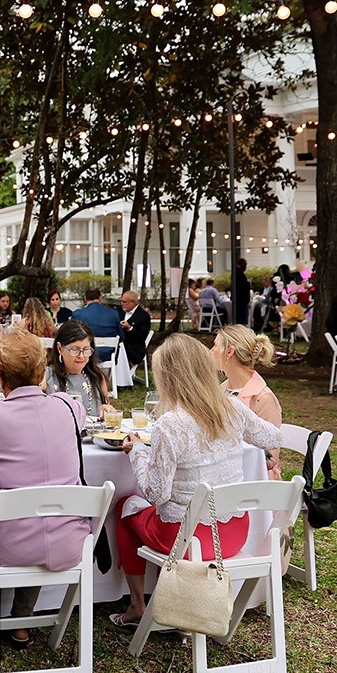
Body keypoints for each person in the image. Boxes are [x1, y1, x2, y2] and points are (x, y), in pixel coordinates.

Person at [112, 333, 282, 626]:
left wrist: (137, 451)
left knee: (125, 506)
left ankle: (138, 604)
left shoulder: (171, 424)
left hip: (187, 540)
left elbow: (156, 493)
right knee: (148, 509)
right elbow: (274, 437)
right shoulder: (232, 406)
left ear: (167, 377)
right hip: (233, 532)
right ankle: (154, 600)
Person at [0, 329, 91, 647]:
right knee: (36, 514)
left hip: (7, 547)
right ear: (42, 373)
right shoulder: (69, 408)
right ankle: (21, 622)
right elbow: (79, 417)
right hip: (69, 540)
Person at [211, 324, 283, 479]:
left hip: (254, 481)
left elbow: (270, 458)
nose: (211, 351)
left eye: (215, 345)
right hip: (222, 472)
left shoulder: (263, 398)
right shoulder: (222, 389)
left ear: (229, 352)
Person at [44, 319, 111, 417]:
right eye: (75, 350)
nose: (81, 356)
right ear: (60, 349)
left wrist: (107, 411)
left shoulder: (96, 377)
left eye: (86, 349)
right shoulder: (47, 376)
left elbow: (106, 408)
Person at [72, 288, 122, 361]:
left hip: (86, 354)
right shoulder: (113, 314)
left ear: (85, 299)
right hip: (109, 354)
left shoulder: (78, 314)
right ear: (100, 298)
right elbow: (121, 337)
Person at [118, 290, 152, 367]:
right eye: (121, 301)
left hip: (134, 348)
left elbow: (142, 335)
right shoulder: (120, 313)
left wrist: (130, 328)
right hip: (120, 347)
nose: (122, 304)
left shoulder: (143, 316)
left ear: (132, 302)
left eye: (124, 302)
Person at [232, 257, 252, 326]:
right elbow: (243, 285)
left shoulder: (235, 272)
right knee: (242, 315)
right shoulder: (239, 273)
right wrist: (249, 283)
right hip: (241, 298)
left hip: (238, 297)